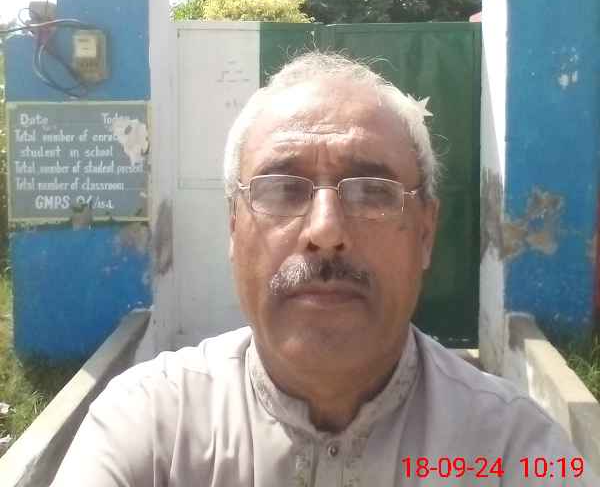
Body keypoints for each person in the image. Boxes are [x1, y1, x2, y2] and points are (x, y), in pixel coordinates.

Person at [52, 52, 598, 486]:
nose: (326, 230)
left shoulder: (513, 449)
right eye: (281, 189)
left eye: (373, 192)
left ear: (425, 234)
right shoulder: (149, 427)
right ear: (234, 229)